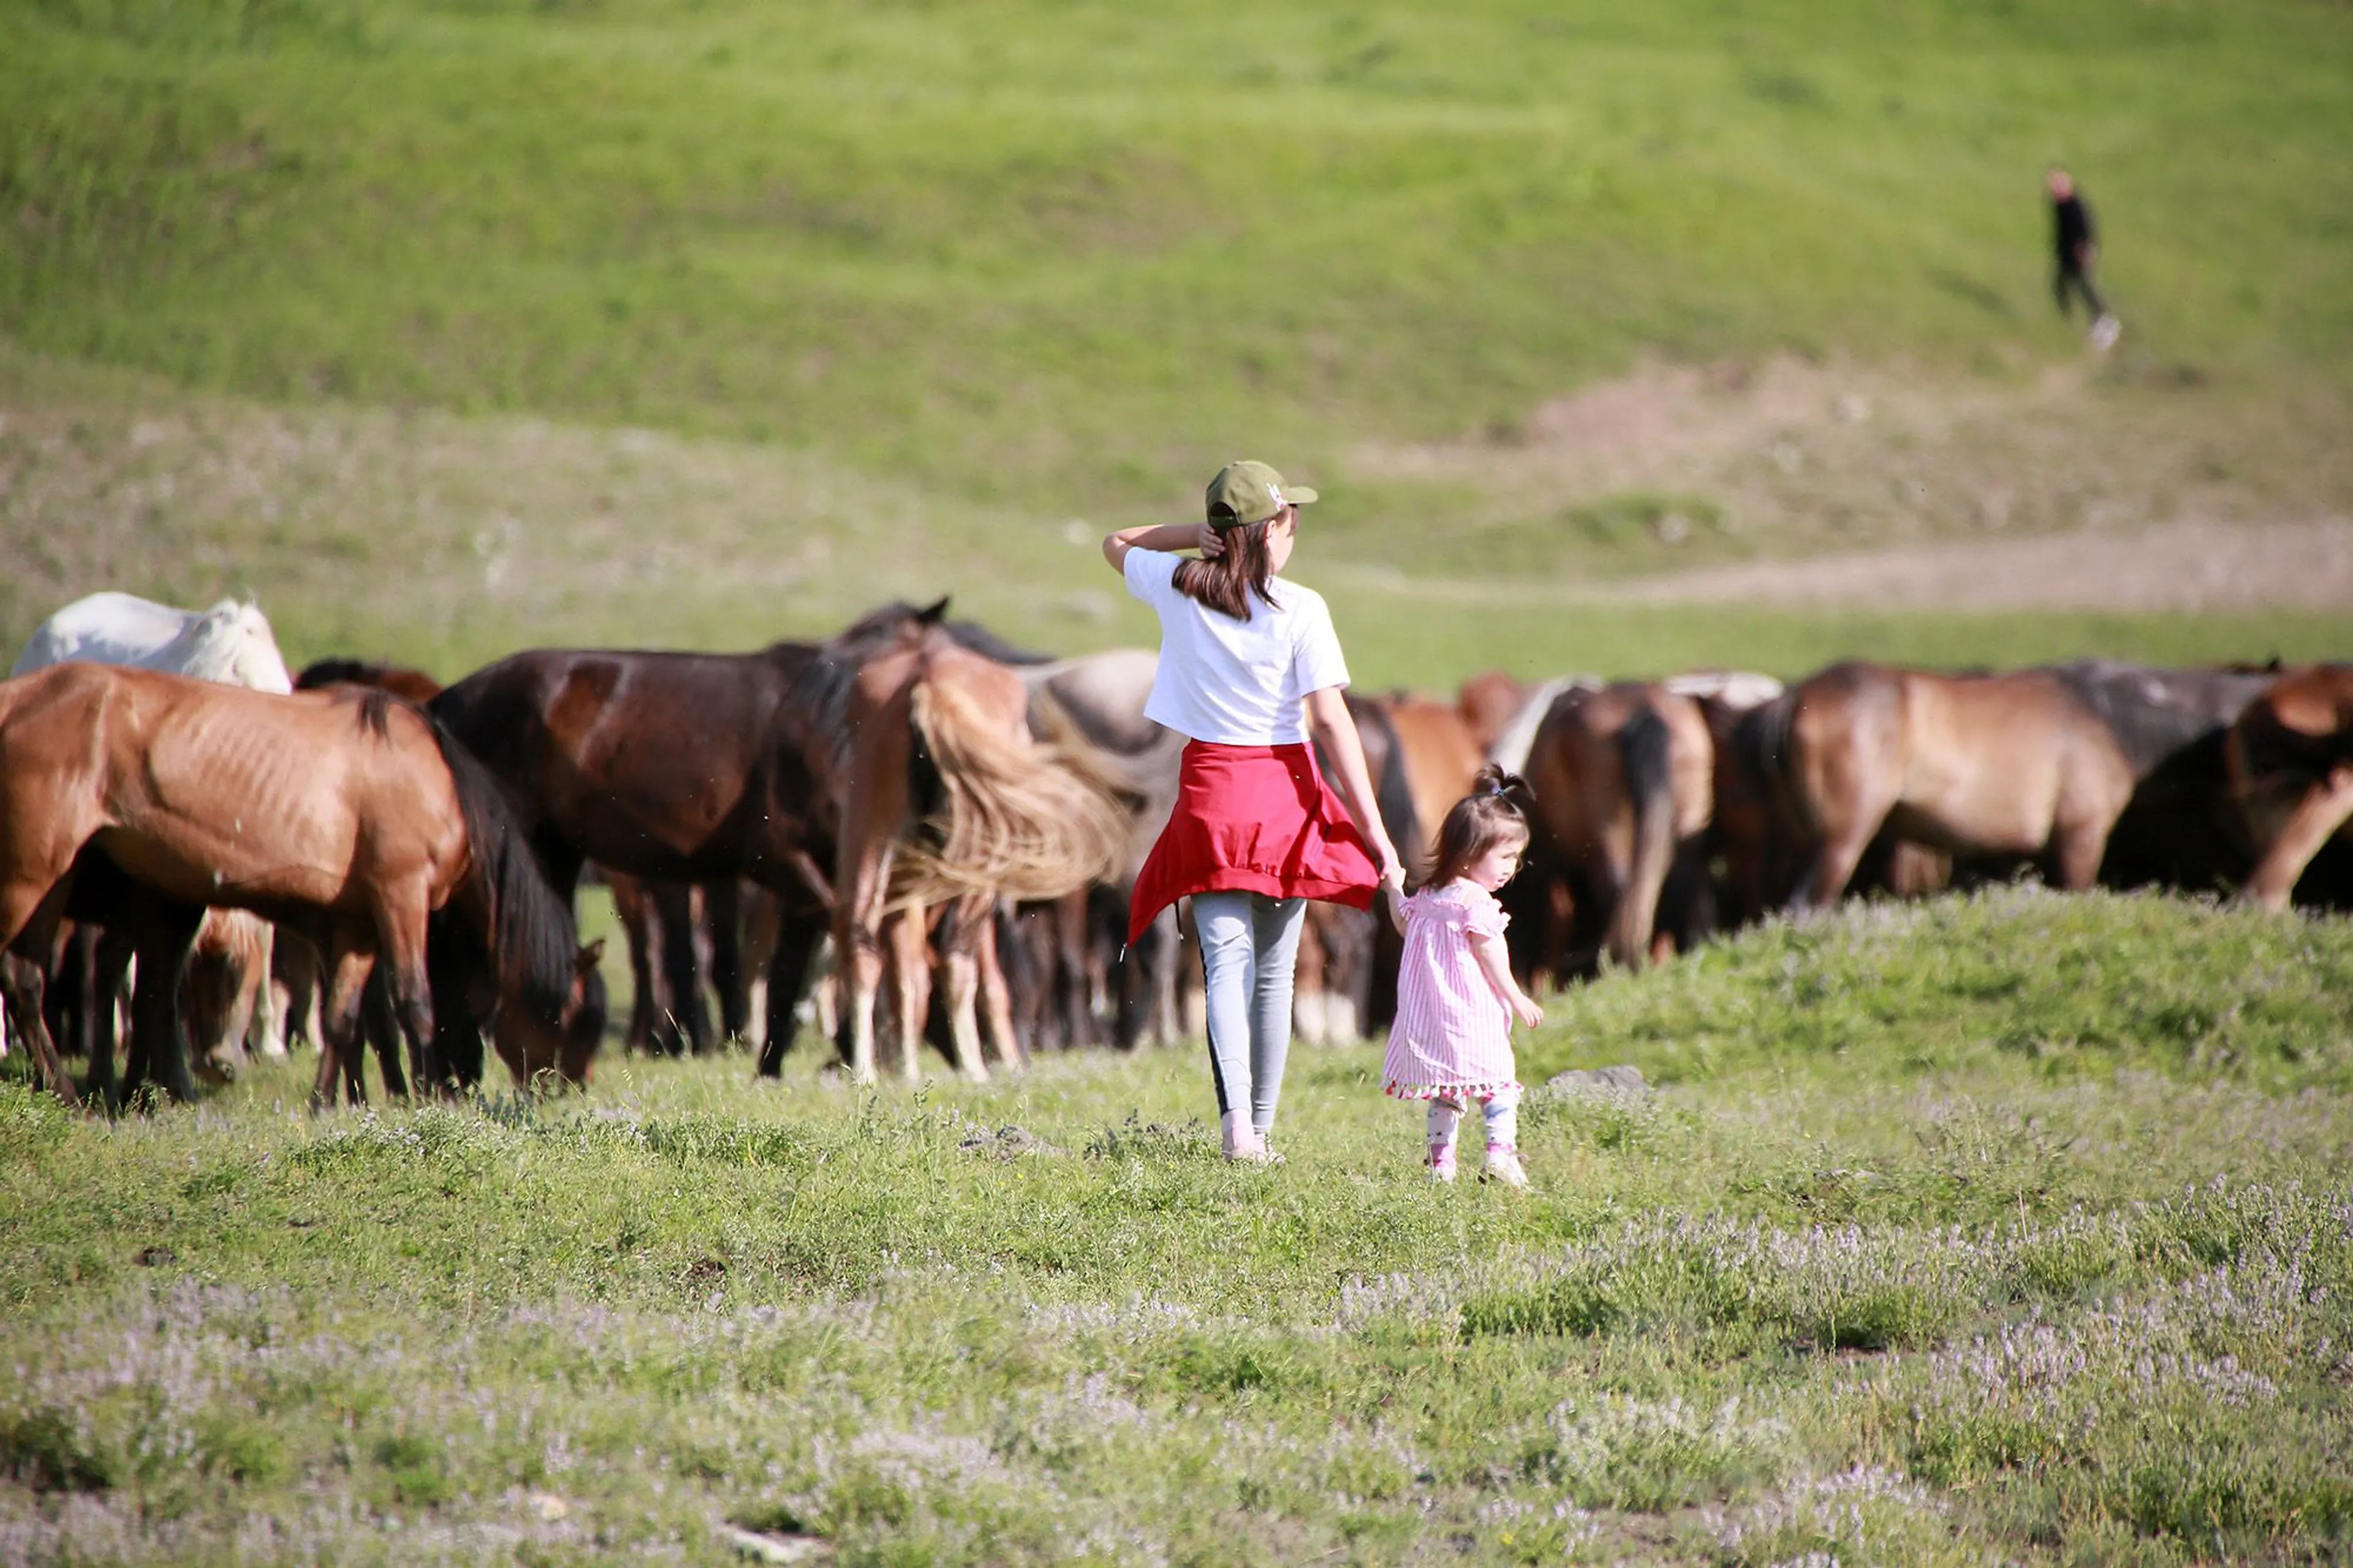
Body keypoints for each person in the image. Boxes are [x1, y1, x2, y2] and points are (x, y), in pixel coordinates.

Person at [1106, 460, 1406, 1164]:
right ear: (1272, 530)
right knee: (1274, 975)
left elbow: (1117, 541)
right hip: (1284, 795)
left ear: (1220, 533)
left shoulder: (1177, 587)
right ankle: (1260, 1133)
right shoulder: (1302, 608)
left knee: (1224, 969)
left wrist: (1195, 539)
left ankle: (1237, 1126)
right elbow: (1331, 724)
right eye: (1288, 520)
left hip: (1213, 794)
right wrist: (1380, 844)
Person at [1381, 765, 1545, 1187]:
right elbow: (1489, 952)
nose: (1513, 867)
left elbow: (1403, 923)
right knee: (1499, 1083)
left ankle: (1441, 1165)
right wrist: (1516, 996)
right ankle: (1500, 1155)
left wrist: (1393, 889)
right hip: (1473, 1014)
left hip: (1432, 1021)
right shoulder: (1475, 902)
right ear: (1471, 853)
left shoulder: (1429, 897)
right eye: (1506, 856)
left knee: (1446, 1091)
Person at [2047, 167, 2121, 351]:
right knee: (2062, 284)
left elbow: (2086, 229)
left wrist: (2086, 249)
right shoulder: (2060, 206)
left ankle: (2104, 319)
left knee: (2085, 285)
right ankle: (2067, 318)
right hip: (2066, 253)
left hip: (2079, 253)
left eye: (2058, 186)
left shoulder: (2076, 205)